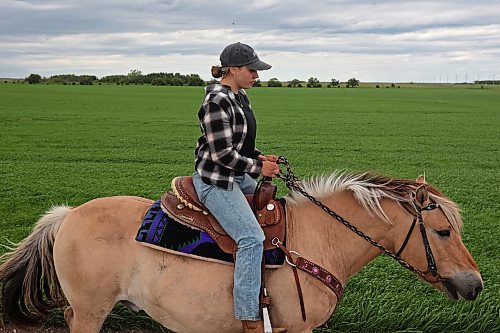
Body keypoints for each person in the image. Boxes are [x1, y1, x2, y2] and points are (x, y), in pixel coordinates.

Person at [192, 42, 287, 333]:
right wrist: (260, 169)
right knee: (251, 238)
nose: (256, 75)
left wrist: (258, 155)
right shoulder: (216, 101)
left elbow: (239, 145)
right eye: (252, 69)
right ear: (233, 69)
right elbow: (222, 154)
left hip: (235, 174)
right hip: (216, 180)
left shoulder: (240, 96)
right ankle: (250, 320)